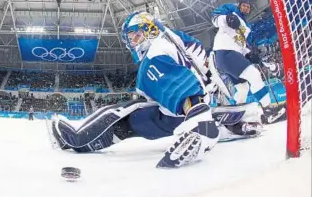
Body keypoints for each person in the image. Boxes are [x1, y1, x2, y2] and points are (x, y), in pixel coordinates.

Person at [48, 11, 263, 169]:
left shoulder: (157, 50)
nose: (132, 42)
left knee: (129, 107)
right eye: (130, 38)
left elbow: (183, 77)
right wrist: (207, 80)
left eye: (134, 35)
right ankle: (236, 124)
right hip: (174, 113)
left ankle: (76, 138)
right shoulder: (171, 40)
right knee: (132, 121)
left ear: (149, 28)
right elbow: (196, 51)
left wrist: (203, 92)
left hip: (184, 107)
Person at [209, 0, 285, 123]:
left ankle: (237, 117)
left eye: (248, 7)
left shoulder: (247, 27)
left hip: (231, 56)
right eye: (244, 5)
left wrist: (249, 54)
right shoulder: (231, 10)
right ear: (239, 4)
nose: (246, 8)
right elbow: (214, 17)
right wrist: (226, 19)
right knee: (254, 75)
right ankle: (268, 109)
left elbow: (242, 45)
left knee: (243, 88)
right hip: (224, 52)